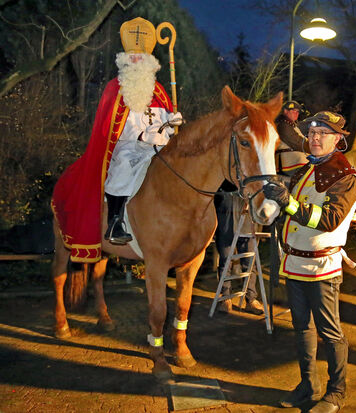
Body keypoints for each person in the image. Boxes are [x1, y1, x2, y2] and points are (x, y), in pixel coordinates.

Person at [51, 17, 181, 261]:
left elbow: (165, 123)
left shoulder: (160, 90)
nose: (135, 60)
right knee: (122, 167)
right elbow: (110, 129)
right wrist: (143, 136)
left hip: (157, 149)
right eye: (131, 56)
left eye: (140, 57)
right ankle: (115, 222)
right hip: (128, 147)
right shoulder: (115, 88)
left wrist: (172, 124)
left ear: (149, 62)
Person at [263, 111, 356, 413]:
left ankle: (336, 393)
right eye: (312, 133)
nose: (315, 138)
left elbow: (329, 220)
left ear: (338, 140)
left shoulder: (345, 176)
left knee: (331, 334)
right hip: (295, 264)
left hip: (323, 268)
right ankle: (309, 385)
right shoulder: (306, 170)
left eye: (323, 133)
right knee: (302, 328)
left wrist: (287, 202)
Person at [213, 182, 264, 315]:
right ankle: (225, 298)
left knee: (249, 262)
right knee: (225, 261)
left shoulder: (247, 173)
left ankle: (251, 299)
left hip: (246, 218)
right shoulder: (223, 173)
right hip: (225, 217)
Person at [275, 100, 309, 176]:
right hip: (290, 161)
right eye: (294, 111)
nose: (296, 114)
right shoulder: (283, 124)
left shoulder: (290, 125)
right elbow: (297, 142)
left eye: (298, 112)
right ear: (285, 111)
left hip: (294, 159)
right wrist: (314, 148)